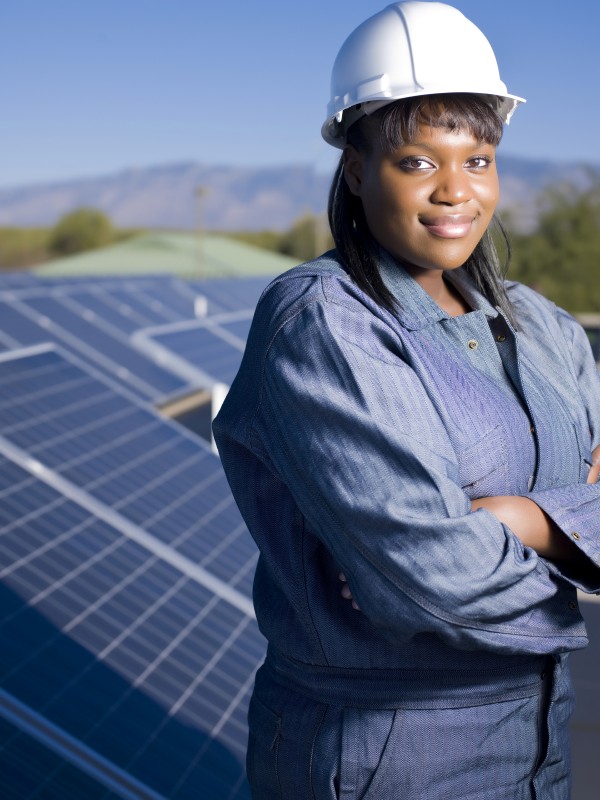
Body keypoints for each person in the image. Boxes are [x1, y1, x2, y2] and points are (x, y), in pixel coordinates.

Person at [213, 2, 600, 798]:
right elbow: (427, 582)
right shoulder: (322, 323)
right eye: (417, 162)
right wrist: (576, 538)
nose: (455, 191)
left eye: (479, 158)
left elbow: (438, 565)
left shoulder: (541, 324)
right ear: (356, 169)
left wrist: (509, 521)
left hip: (538, 743)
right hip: (389, 758)